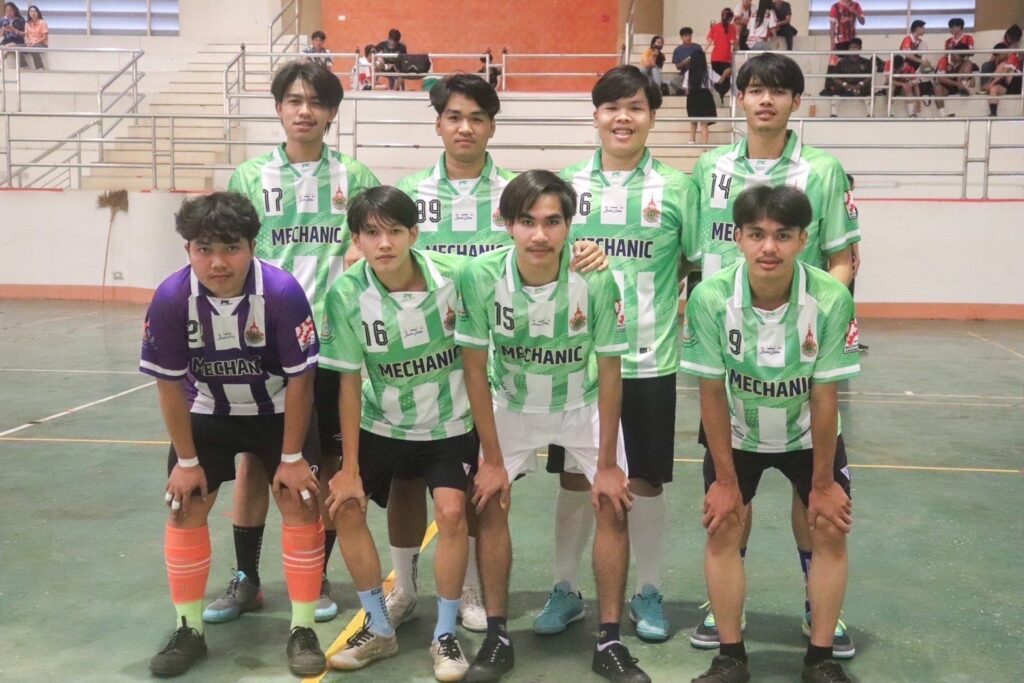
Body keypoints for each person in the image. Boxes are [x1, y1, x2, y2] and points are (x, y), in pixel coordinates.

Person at [386, 73, 608, 638]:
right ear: (438, 123)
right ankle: (412, 586)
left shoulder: (518, 194)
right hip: (428, 360)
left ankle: (476, 590)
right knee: (417, 482)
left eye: (477, 118)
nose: (465, 127)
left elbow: (562, 249)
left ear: (491, 126)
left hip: (498, 364)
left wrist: (591, 250)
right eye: (454, 116)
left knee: (480, 489)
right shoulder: (409, 193)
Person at [687, 52, 860, 661]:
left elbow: (841, 256)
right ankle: (725, 608)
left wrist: (816, 319)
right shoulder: (709, 167)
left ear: (795, 102)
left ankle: (819, 607)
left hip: (800, 349)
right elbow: (691, 252)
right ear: (738, 98)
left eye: (778, 91)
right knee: (730, 499)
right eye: (755, 89)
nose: (765, 100)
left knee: (816, 502)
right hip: (730, 353)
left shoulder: (823, 170)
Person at [455, 170, 647, 683]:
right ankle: (497, 636)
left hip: (582, 406)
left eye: (552, 222)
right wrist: (492, 460)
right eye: (527, 222)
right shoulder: (479, 276)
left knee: (614, 504)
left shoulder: (597, 278)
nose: (539, 235)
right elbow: (474, 367)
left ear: (568, 225)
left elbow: (611, 370)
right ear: (507, 224)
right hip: (511, 405)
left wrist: (607, 465)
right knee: (488, 502)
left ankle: (610, 640)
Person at [216, 60, 379, 628]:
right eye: (294, 100)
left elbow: (371, 247)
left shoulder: (355, 176)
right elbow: (229, 254)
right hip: (263, 344)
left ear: (332, 112)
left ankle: (316, 573)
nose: (304, 111)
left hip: (333, 345)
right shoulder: (249, 176)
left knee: (326, 465)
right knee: (254, 462)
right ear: (279, 108)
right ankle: (246, 577)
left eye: (315, 101)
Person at [141, 192, 327, 678]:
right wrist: (186, 464)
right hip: (209, 410)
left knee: (301, 500)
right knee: (184, 505)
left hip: (278, 408)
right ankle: (188, 630)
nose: (218, 262)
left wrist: (292, 457)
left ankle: (303, 628)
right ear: (188, 250)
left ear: (252, 247)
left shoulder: (282, 292)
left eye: (231, 247)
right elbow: (168, 384)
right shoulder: (171, 298)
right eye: (204, 249)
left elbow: (302, 379)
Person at [547, 65, 698, 646]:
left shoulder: (679, 189)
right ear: (596, 115)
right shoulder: (566, 185)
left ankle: (648, 590)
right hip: (578, 364)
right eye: (612, 107)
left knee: (647, 481)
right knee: (574, 479)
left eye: (635, 107)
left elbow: (695, 263)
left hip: (649, 362)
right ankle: (565, 588)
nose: (623, 118)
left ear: (652, 116)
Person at [320, 187, 476, 680]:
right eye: (371, 233)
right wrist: (348, 469)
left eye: (394, 231)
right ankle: (379, 625)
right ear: (356, 240)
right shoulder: (346, 294)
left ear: (415, 233)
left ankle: (445, 634)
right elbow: (348, 382)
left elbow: (515, 265)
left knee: (452, 513)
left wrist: (583, 253)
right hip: (381, 423)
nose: (383, 243)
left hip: (449, 422)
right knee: (345, 505)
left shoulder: (456, 277)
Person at [821, 38, 872, 117]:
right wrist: (846, 85)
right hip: (845, 87)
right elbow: (835, 78)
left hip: (860, 88)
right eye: (851, 47)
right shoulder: (841, 62)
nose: (853, 49)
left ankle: (870, 114)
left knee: (868, 88)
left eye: (855, 47)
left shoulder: (866, 62)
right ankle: (833, 114)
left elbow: (870, 77)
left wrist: (860, 84)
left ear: (860, 48)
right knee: (837, 87)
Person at [934, 45, 978, 117]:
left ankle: (963, 88)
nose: (961, 58)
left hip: (959, 85)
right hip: (946, 86)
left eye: (963, 56)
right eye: (960, 56)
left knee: (969, 63)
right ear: (954, 52)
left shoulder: (964, 62)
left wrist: (962, 82)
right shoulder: (944, 60)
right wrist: (957, 83)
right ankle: (943, 115)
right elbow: (941, 79)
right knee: (937, 89)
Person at [706, 8, 739, 103]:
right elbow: (732, 43)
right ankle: (720, 94)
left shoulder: (715, 27)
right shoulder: (732, 27)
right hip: (726, 58)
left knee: (717, 79)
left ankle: (717, 95)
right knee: (727, 81)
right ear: (731, 18)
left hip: (715, 57)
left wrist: (703, 51)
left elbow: (709, 40)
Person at [688, 49, 720, 144]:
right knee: (704, 124)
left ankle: (692, 139)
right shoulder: (708, 71)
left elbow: (686, 87)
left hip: (692, 96)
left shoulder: (689, 72)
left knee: (693, 120)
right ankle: (704, 145)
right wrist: (726, 73)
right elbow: (718, 80)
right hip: (705, 96)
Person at [982, 46, 1022, 116]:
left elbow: (1003, 74)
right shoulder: (1003, 61)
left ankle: (988, 85)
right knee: (993, 89)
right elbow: (996, 74)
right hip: (1008, 87)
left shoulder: (1013, 57)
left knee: (1002, 66)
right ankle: (993, 113)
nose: (999, 57)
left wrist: (991, 83)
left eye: (999, 55)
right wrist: (990, 84)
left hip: (1016, 86)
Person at [668, 27, 701, 96]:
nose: (688, 38)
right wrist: (684, 62)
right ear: (681, 37)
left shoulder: (697, 47)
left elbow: (702, 62)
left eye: (690, 35)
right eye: (686, 36)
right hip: (683, 75)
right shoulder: (677, 50)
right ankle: (689, 89)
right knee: (673, 82)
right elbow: (678, 67)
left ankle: (689, 89)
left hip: (696, 74)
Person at [0, 2, 25, 67]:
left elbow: (25, 34)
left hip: (18, 40)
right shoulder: (3, 20)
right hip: (7, 40)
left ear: (15, 10)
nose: (9, 13)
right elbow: (0, 34)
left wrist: (14, 30)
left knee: (8, 46)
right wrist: (3, 29)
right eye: (7, 11)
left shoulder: (20, 20)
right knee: (2, 47)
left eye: (11, 10)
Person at [23, 4, 45, 69]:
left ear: (38, 13)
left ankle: (40, 67)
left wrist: (34, 43)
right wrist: (28, 42)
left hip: (41, 44)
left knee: (33, 47)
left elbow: (44, 37)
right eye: (31, 11)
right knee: (15, 48)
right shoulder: (27, 23)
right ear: (29, 13)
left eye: (35, 11)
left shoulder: (43, 23)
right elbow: (26, 36)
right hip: (30, 43)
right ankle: (24, 66)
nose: (33, 13)